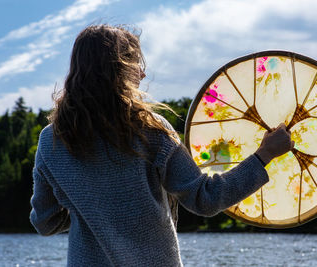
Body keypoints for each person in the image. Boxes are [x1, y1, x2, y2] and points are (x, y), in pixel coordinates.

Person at [29, 24, 294, 266]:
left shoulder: (51, 141)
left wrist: (91, 211)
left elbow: (44, 222)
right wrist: (264, 154)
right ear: (118, 69)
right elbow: (205, 199)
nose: (142, 74)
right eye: (135, 63)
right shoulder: (150, 131)